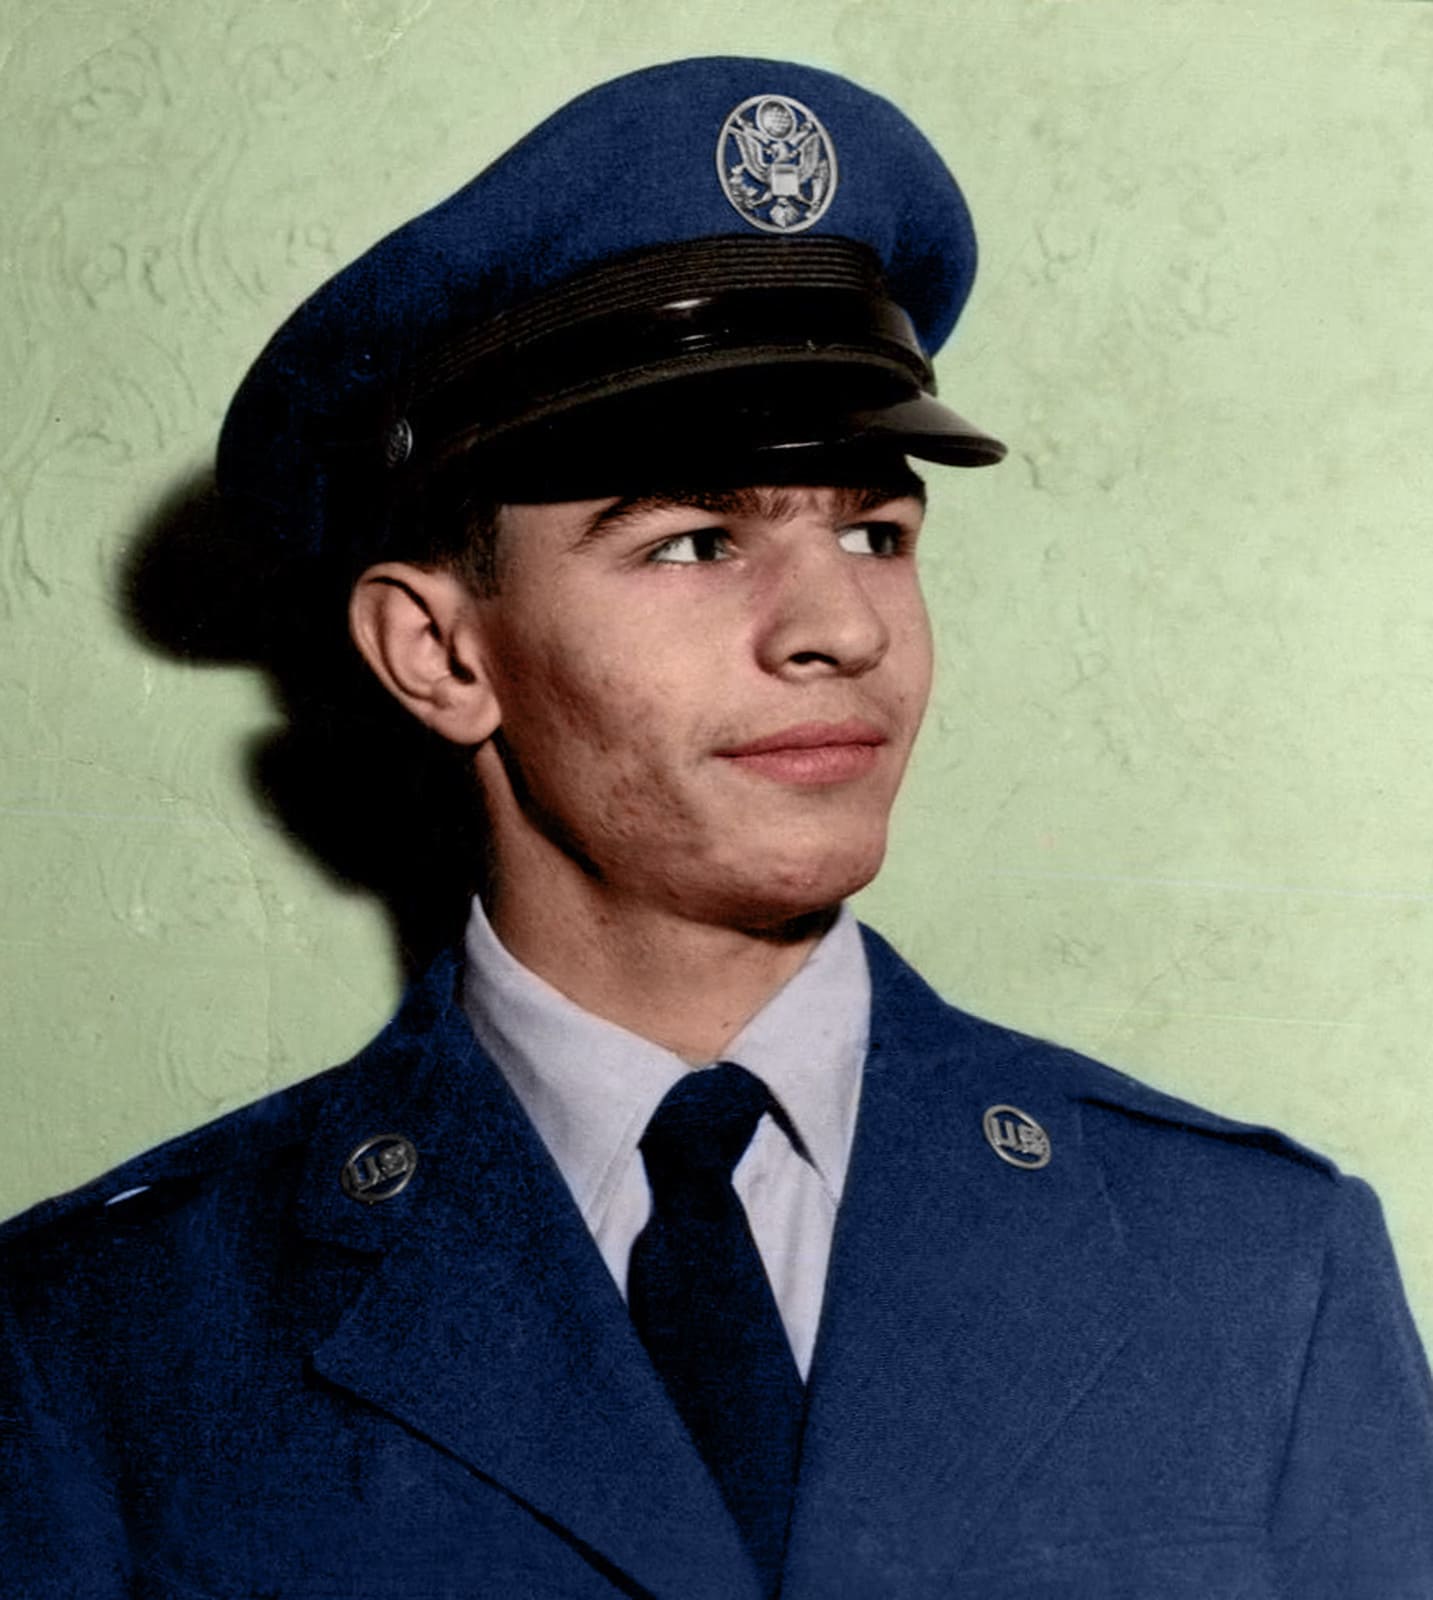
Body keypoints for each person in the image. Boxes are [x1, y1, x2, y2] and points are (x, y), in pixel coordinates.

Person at [2, 55, 1431, 1599]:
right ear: (440, 652)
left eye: (874, 533)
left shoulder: (1254, 1266)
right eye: (692, 542)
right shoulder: (111, 1338)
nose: (842, 628)